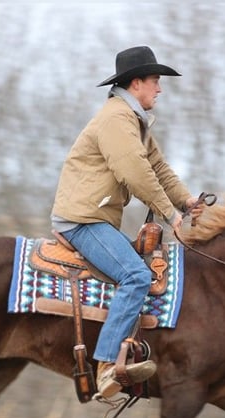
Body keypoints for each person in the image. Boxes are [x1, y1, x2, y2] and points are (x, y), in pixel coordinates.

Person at [51, 45, 203, 399]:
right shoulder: (117, 120)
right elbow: (135, 172)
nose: (160, 89)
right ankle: (105, 366)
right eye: (155, 81)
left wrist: (187, 200)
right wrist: (171, 214)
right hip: (81, 221)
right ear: (136, 83)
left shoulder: (133, 120)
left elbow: (159, 168)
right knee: (136, 276)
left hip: (93, 218)